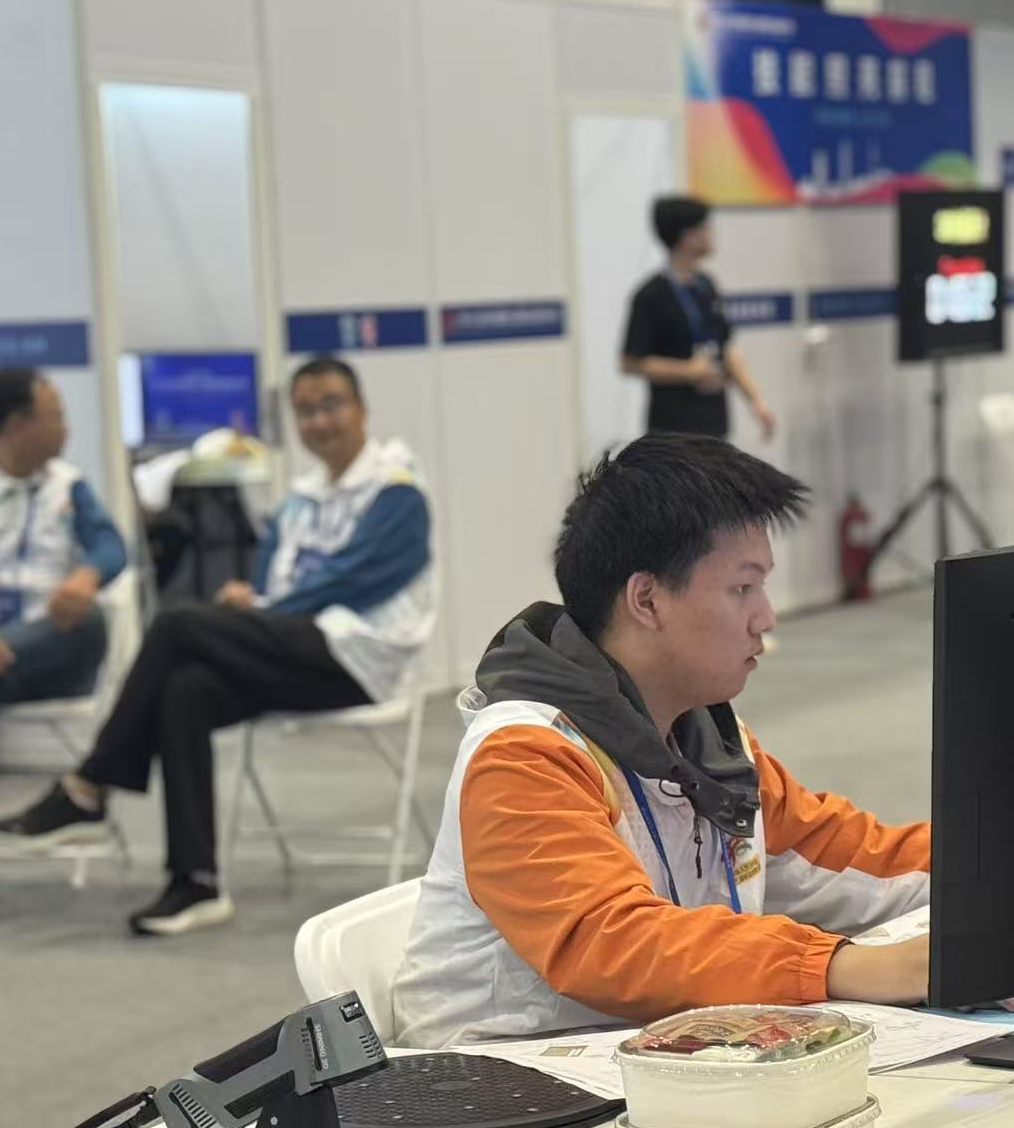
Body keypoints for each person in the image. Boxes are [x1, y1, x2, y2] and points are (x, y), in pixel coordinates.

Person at [392, 435, 927, 1048]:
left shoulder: (710, 743)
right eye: (743, 589)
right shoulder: (522, 756)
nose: (766, 617)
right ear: (646, 599)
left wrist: (1000, 863)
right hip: (491, 1083)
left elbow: (856, 857)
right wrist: (841, 966)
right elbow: (614, 942)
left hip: (650, 1068)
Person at [0, 357, 435, 935]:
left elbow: (354, 581)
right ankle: (195, 882)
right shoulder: (301, 498)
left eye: (332, 405)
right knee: (187, 689)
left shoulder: (397, 490)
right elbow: (276, 580)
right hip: (296, 645)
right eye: (306, 411)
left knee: (178, 625)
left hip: (360, 659)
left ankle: (90, 785)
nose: (319, 421)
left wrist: (264, 608)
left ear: (362, 409)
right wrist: (253, 597)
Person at [0, 369, 127, 910]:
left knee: (87, 620)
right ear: (17, 425)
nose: (66, 428)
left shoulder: (67, 485)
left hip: (59, 648)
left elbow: (111, 547)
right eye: (55, 416)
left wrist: (85, 578)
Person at [620, 195, 775, 442]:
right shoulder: (651, 295)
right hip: (672, 432)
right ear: (687, 236)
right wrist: (687, 371)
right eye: (704, 228)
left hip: (714, 425)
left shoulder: (706, 286)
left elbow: (727, 349)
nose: (711, 234)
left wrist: (756, 402)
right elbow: (630, 362)